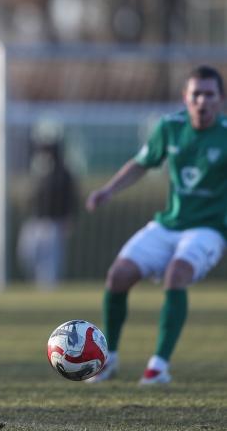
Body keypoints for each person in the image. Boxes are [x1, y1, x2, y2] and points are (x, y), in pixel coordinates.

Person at [85, 65, 227, 385]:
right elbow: (142, 163)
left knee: (177, 274)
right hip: (169, 224)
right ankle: (108, 359)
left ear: (220, 99)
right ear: (185, 97)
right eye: (196, 94)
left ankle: (158, 367)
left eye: (209, 94)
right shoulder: (170, 127)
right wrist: (108, 190)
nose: (202, 101)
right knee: (118, 275)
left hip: (208, 229)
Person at [16, 134, 78, 290]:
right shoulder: (39, 172)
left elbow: (71, 198)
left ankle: (48, 289)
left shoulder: (63, 174)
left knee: (50, 263)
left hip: (53, 223)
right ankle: (35, 284)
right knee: (27, 255)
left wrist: (68, 219)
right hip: (35, 221)